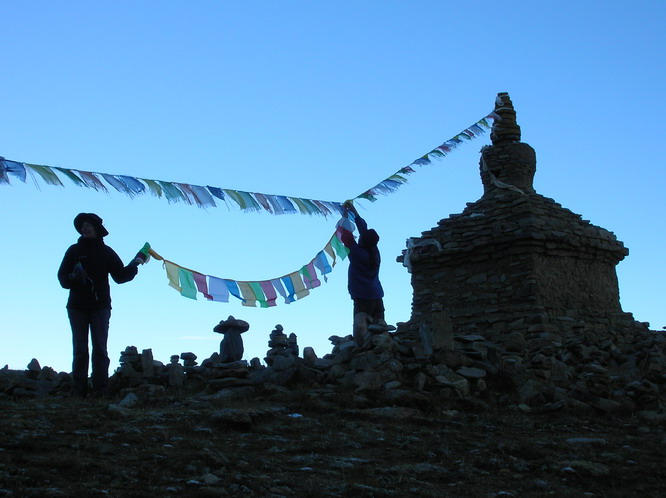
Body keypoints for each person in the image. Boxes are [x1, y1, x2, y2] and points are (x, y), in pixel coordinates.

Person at [57, 213, 141, 398]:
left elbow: (120, 276)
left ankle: (100, 392)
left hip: (100, 307)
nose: (85, 228)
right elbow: (62, 278)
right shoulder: (73, 250)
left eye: (88, 225)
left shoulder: (106, 252)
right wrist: (73, 278)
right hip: (77, 306)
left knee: (100, 349)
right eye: (82, 225)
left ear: (96, 229)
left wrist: (135, 263)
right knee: (80, 349)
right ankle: (78, 392)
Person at [340, 201, 385, 346]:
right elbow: (362, 229)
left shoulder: (358, 254)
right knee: (379, 327)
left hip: (362, 295)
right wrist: (354, 210)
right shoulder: (374, 252)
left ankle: (362, 352)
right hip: (376, 294)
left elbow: (346, 236)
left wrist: (345, 214)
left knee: (362, 328)